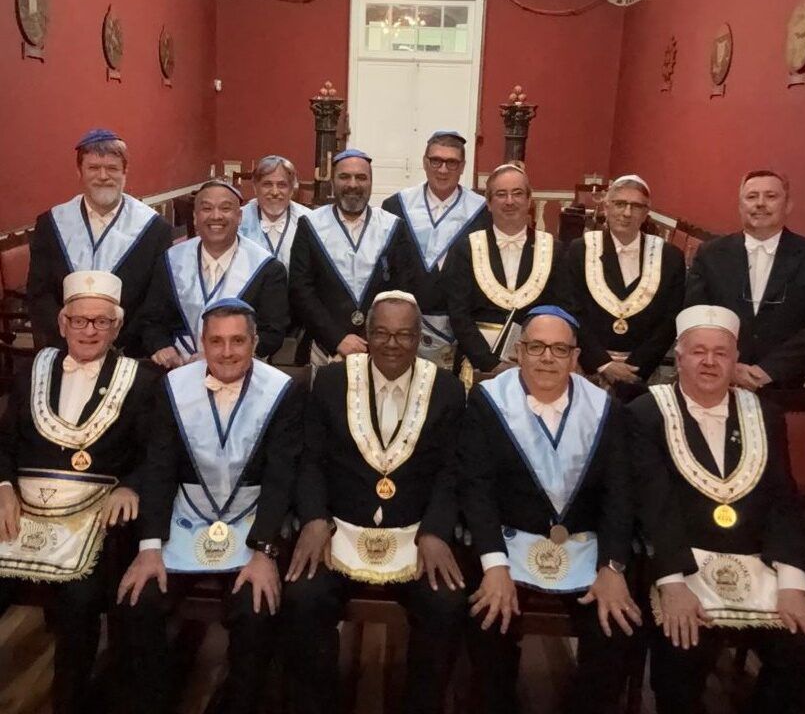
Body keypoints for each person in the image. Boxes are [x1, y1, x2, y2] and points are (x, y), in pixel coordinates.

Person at [627, 304, 805, 713]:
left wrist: (794, 585)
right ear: (678, 358)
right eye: (698, 351)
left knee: (804, 649)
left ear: (736, 360)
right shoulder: (645, 414)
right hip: (684, 565)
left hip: (758, 564)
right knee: (683, 650)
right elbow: (654, 506)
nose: (709, 361)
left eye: (720, 353)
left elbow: (783, 501)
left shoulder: (766, 415)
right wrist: (672, 584)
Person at [117, 298, 304, 714]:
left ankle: (240, 701)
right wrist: (149, 547)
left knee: (257, 607)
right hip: (186, 517)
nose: (227, 352)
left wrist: (265, 551)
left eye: (238, 341)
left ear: (255, 343)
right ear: (202, 342)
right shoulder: (172, 387)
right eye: (216, 341)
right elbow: (159, 467)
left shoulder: (283, 390)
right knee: (138, 600)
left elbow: (282, 476)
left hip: (251, 517)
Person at [283, 291, 467, 714]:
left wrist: (436, 532)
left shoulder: (447, 389)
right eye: (381, 333)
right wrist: (314, 519)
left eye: (404, 335)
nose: (392, 344)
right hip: (339, 531)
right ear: (367, 334)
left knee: (446, 603)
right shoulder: (330, 381)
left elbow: (451, 472)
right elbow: (310, 461)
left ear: (419, 337)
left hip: (414, 535)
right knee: (303, 597)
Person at [456, 305, 640, 714]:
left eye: (560, 349)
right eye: (536, 347)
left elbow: (619, 493)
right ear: (519, 352)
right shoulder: (487, 402)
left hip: (583, 547)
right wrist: (493, 565)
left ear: (576, 358)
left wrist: (612, 568)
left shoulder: (605, 409)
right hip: (509, 545)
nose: (547, 358)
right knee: (487, 620)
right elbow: (477, 488)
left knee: (617, 628)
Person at [0, 270, 159, 714]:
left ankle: (67, 702)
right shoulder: (32, 370)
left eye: (101, 322)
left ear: (117, 327)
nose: (90, 330)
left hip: (91, 518)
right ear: (63, 323)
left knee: (81, 598)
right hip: (19, 512)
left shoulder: (141, 381)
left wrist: (130, 486)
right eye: (80, 320)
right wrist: (3, 487)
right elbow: (4, 442)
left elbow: (156, 455)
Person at [685, 170, 805, 390]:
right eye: (751, 196)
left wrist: (769, 371)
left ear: (788, 205)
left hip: (785, 385)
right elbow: (695, 315)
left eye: (770, 196)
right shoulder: (710, 254)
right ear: (740, 207)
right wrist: (728, 366)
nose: (760, 203)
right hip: (715, 379)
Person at [27, 129, 173, 355]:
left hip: (127, 352)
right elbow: (40, 293)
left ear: (125, 172)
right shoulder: (51, 224)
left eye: (112, 168)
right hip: (64, 349)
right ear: (79, 172)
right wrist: (69, 338)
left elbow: (155, 303)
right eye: (94, 168)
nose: (103, 176)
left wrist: (115, 342)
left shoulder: (155, 229)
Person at [288, 149, 418, 366]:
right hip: (324, 348)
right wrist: (336, 338)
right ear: (333, 181)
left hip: (380, 348)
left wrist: (373, 339)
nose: (353, 184)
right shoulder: (310, 224)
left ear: (371, 182)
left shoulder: (393, 226)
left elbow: (403, 289)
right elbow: (300, 290)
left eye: (361, 177)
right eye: (344, 177)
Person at [139, 180, 289, 368]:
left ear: (239, 216)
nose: (216, 216)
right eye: (207, 209)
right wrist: (161, 346)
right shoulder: (170, 260)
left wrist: (220, 356)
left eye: (225, 208)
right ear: (195, 217)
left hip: (240, 369)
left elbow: (273, 333)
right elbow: (151, 321)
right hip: (177, 368)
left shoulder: (268, 268)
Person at [442, 163, 571, 378]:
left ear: (529, 200)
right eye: (501, 194)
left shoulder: (553, 250)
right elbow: (458, 313)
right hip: (476, 365)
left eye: (517, 193)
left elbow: (561, 311)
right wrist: (489, 363)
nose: (509, 201)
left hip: (535, 364)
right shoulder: (466, 248)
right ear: (489, 203)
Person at [567, 175, 684, 401]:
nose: (627, 213)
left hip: (642, 375)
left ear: (646, 212)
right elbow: (572, 309)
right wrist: (602, 363)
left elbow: (670, 319)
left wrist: (636, 368)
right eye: (620, 204)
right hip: (589, 369)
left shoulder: (669, 257)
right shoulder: (579, 250)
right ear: (606, 207)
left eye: (636, 206)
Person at [382, 131, 490, 367]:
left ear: (462, 166)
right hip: (403, 325)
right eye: (436, 161)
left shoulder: (482, 212)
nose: (443, 170)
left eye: (451, 162)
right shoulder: (395, 206)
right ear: (424, 162)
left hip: (460, 328)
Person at [238, 155, 310, 272]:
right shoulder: (238, 220)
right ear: (255, 187)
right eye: (267, 184)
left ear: (292, 189)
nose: (275, 192)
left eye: (282, 185)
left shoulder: (309, 221)